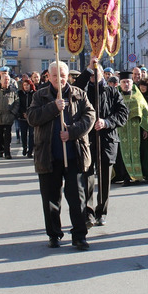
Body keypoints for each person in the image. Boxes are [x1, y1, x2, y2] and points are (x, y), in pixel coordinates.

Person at [26, 61, 96, 250]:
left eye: (63, 75)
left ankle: (79, 235)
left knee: (77, 197)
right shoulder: (40, 95)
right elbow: (32, 118)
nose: (60, 79)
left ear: (68, 76)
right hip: (48, 155)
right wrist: (52, 108)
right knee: (50, 198)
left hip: (74, 155)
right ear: (49, 76)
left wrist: (72, 132)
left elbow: (90, 116)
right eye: (56, 76)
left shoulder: (78, 94)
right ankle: (54, 234)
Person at [73, 59, 129, 227]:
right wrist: (88, 69)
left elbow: (122, 114)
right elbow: (75, 87)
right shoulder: (82, 91)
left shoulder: (112, 92)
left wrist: (107, 122)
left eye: (96, 72)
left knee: (105, 179)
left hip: (107, 141)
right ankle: (88, 213)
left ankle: (101, 212)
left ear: (103, 74)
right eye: (91, 72)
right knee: (87, 178)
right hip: (87, 141)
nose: (93, 75)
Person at [116, 71, 148, 183]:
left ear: (132, 83)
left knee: (138, 152)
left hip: (136, 129)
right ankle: (126, 177)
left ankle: (138, 176)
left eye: (128, 82)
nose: (126, 84)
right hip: (121, 129)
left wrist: (145, 129)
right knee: (122, 154)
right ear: (120, 84)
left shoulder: (138, 96)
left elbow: (145, 113)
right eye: (124, 82)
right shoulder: (116, 96)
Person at [16, 78, 36, 157]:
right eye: (24, 85)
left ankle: (30, 151)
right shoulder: (20, 93)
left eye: (27, 85)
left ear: (30, 85)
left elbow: (35, 104)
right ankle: (24, 147)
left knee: (31, 135)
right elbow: (18, 104)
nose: (26, 87)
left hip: (31, 117)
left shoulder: (34, 93)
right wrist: (22, 113)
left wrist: (29, 113)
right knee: (23, 134)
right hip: (22, 117)